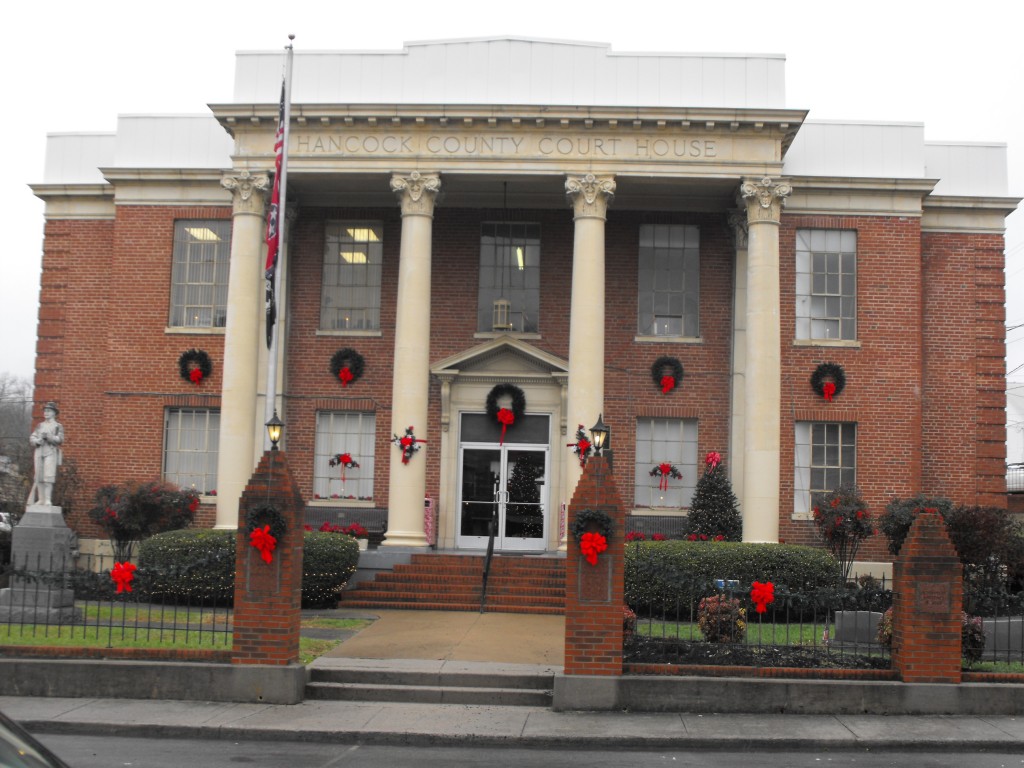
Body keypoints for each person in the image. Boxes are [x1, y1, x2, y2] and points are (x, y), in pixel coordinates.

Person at [27, 402, 64, 506]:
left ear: (54, 413)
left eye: (48, 411)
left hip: (50, 452)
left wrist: (49, 437)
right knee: (38, 476)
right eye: (45, 411)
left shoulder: (58, 426)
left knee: (48, 476)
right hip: (39, 452)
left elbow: (60, 439)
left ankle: (47, 499)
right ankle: (41, 499)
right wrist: (37, 441)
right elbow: (32, 438)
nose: (46, 413)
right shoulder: (40, 425)